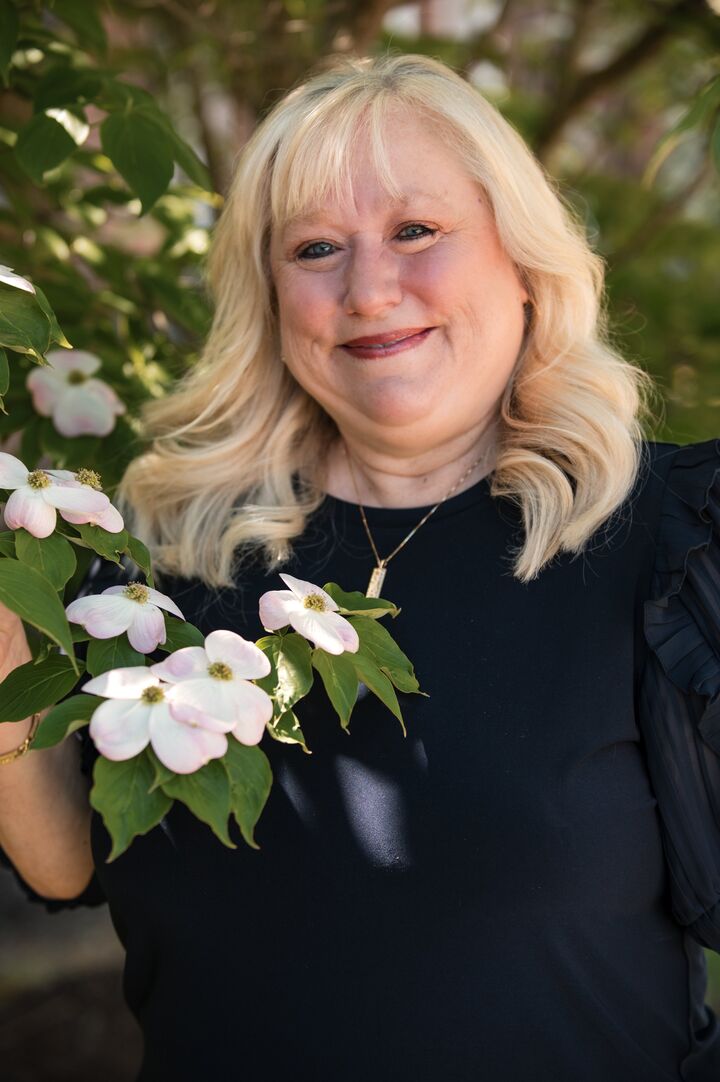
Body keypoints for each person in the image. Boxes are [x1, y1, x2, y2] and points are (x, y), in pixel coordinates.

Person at [1, 51, 719, 1081]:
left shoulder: (671, 540)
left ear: (521, 260)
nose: (370, 288)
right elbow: (74, 862)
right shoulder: (165, 554)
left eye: (416, 231)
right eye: (316, 246)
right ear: (269, 292)